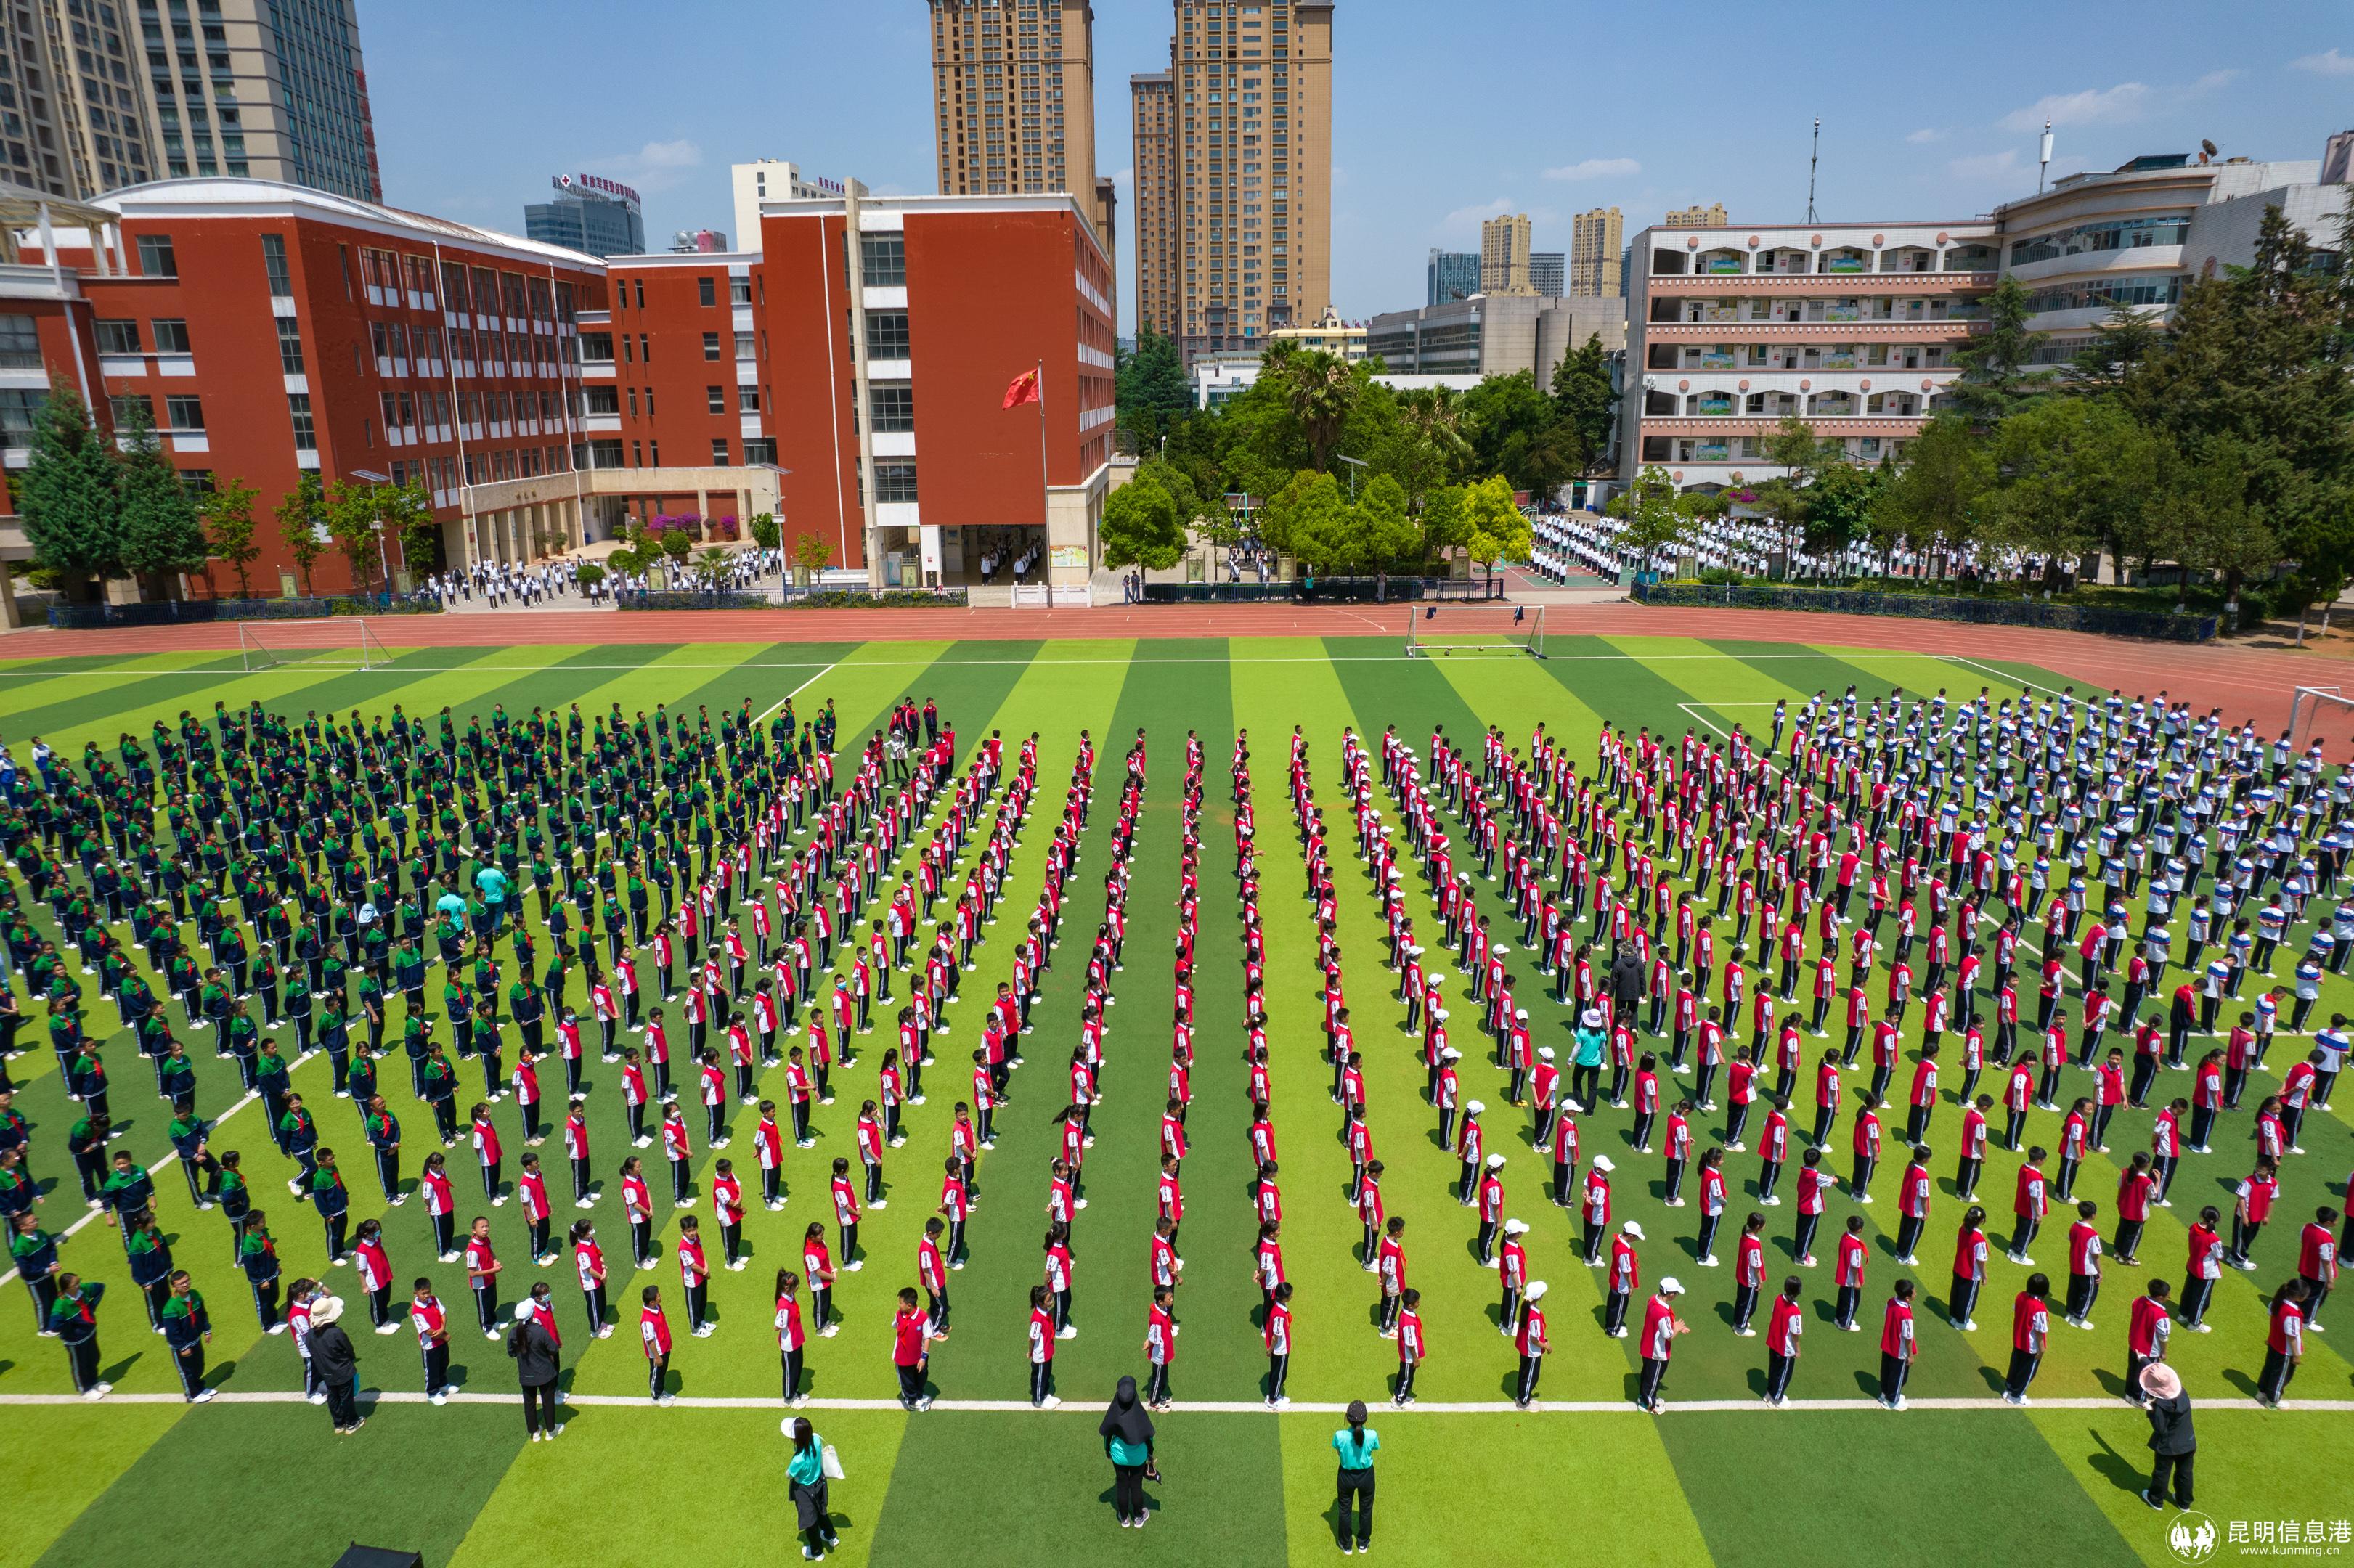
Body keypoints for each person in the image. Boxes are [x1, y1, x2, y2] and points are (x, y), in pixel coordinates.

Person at [1100, 1374, 1157, 1529]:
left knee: (1122, 1485)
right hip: (1138, 1457)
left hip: (1118, 1457)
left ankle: (1124, 1517)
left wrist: (1107, 1451)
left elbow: (1107, 1434)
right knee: (1136, 1486)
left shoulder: (1114, 1411)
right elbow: (1149, 1437)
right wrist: (1150, 1455)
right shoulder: (1139, 1412)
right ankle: (1139, 1516)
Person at [2140, 1362, 2196, 1511]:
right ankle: (2184, 1502)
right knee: (2185, 1473)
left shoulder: (2160, 1406)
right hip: (2188, 1442)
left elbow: (2159, 1427)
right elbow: (2159, 1378)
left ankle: (2156, 1499)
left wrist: (2149, 1409)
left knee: (2162, 1472)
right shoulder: (2183, 1393)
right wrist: (2144, 1359)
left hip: (2168, 1446)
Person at [785, 1416, 839, 1559]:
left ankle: (817, 1552)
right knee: (822, 1512)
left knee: (810, 1523)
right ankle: (831, 1536)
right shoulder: (816, 1440)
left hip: (805, 1491)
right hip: (820, 1484)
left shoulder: (798, 1459)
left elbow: (789, 1475)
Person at [508, 1299, 563, 1440]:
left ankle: (535, 1432)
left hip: (526, 1375)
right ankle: (551, 1430)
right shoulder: (539, 1331)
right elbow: (553, 1348)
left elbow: (512, 1353)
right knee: (548, 1401)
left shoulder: (513, 1333)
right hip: (545, 1373)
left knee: (529, 1403)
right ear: (532, 1315)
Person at [309, 1294, 362, 1434]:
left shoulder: (310, 1335)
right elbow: (348, 1349)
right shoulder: (336, 1332)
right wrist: (350, 1358)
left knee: (333, 1396)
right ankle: (352, 1422)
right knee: (346, 1397)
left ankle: (339, 1423)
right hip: (342, 1370)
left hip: (325, 1372)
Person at [1333, 1398, 1379, 1555]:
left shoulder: (1339, 1436)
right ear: (1366, 1418)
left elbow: (1339, 1453)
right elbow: (1373, 1449)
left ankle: (1346, 1545)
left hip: (1346, 1476)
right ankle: (1363, 1544)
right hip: (1366, 1476)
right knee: (1366, 1509)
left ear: (1347, 1417)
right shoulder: (1372, 1435)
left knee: (1344, 1510)